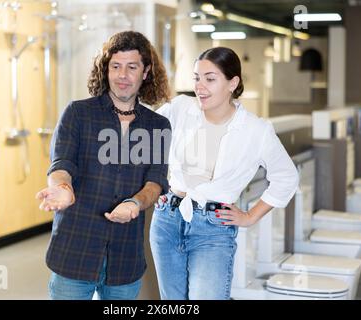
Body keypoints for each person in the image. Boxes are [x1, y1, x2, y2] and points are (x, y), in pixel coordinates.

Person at [150, 47, 299, 300]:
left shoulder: (255, 129)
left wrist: (251, 216)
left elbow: (287, 177)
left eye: (210, 78)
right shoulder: (180, 108)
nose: (200, 86)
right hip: (168, 218)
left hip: (213, 229)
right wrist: (155, 187)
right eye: (196, 77)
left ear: (233, 83)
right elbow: (144, 135)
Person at [36, 31, 171, 300]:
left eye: (132, 67)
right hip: (75, 249)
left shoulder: (158, 126)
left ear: (145, 73)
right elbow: (61, 162)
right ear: (105, 70)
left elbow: (155, 182)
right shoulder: (78, 113)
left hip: (125, 258)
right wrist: (62, 187)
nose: (123, 75)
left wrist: (135, 203)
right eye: (115, 66)